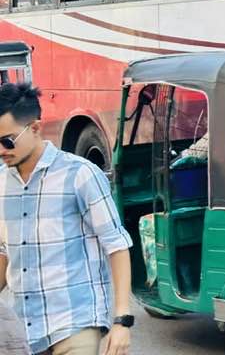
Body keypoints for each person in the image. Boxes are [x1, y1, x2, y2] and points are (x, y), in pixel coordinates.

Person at [0, 83, 134, 355]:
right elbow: (5, 251)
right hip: (24, 324)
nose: (1, 150)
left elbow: (116, 245)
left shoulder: (80, 174)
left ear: (35, 128)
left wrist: (122, 321)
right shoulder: (1, 183)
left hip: (76, 320)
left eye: (7, 140)